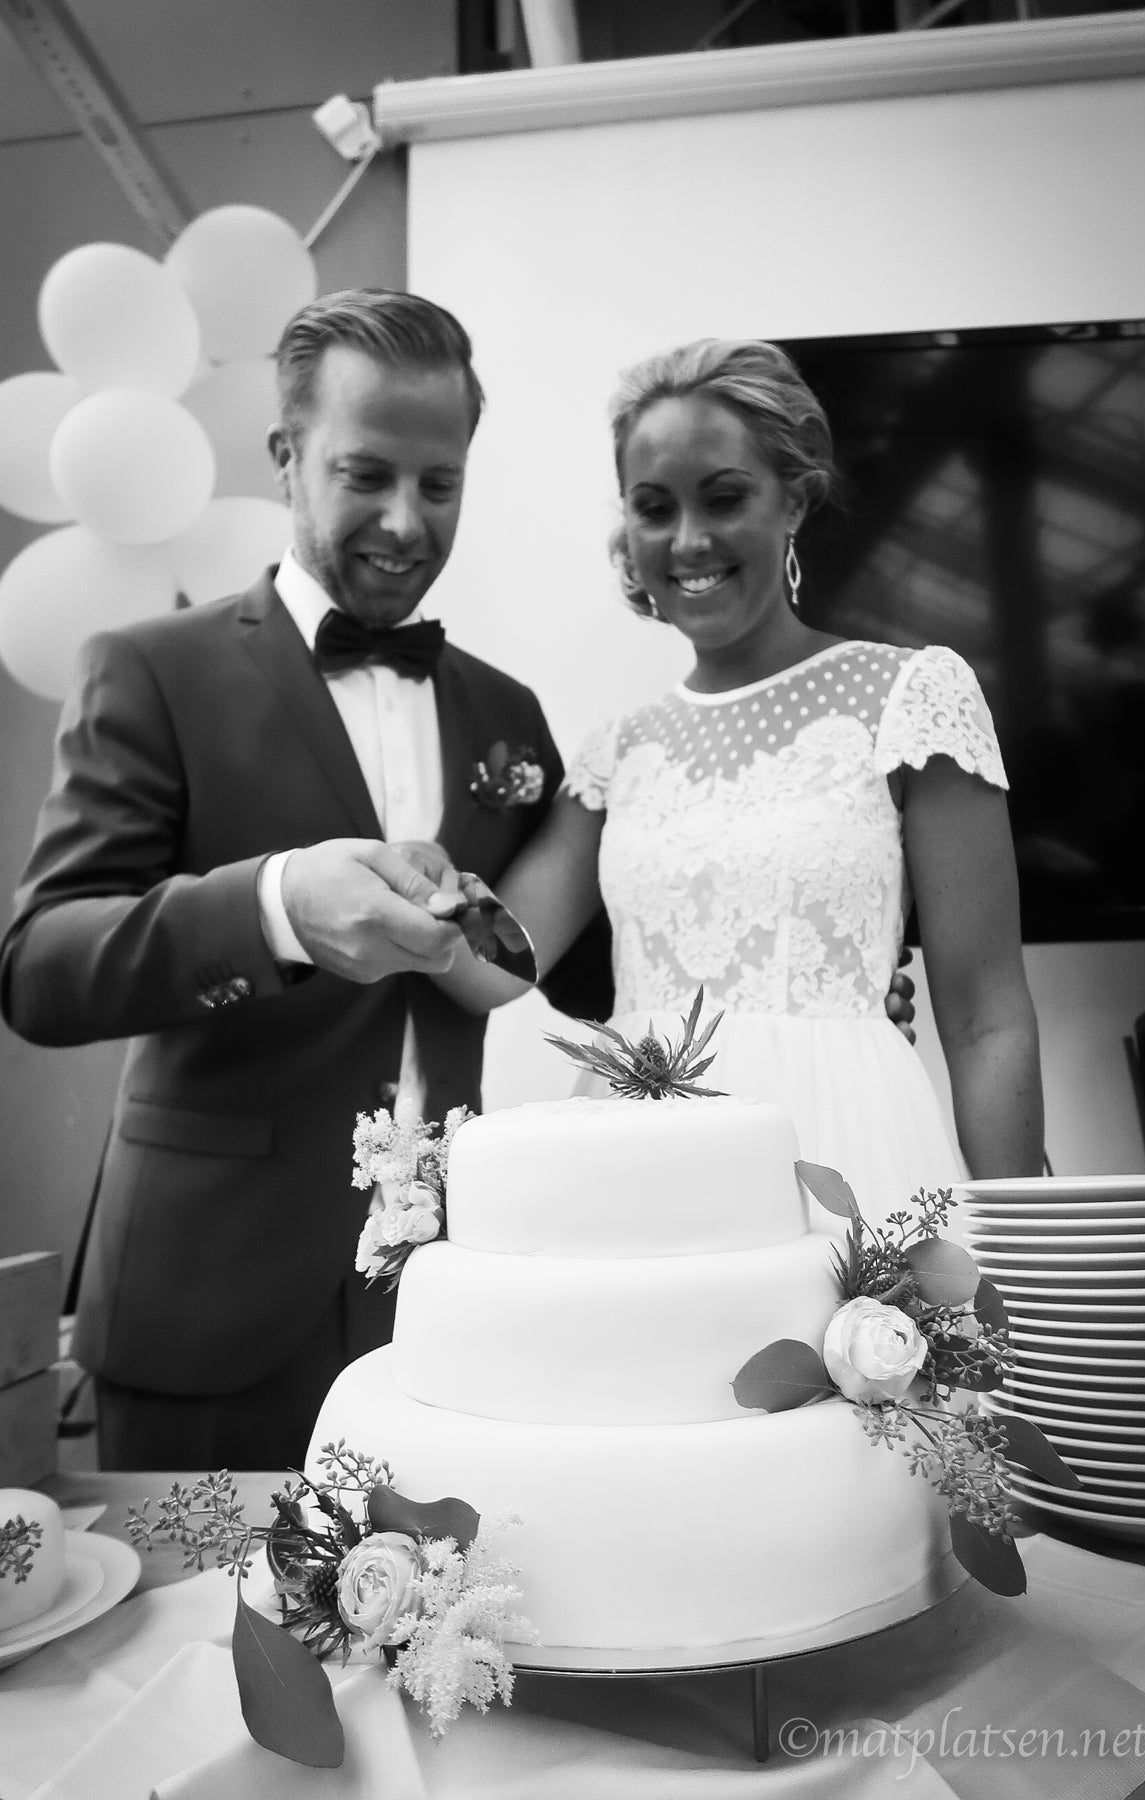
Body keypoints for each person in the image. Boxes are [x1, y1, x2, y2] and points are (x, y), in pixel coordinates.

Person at [0, 291, 578, 1471]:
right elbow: (40, 969)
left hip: (450, 1311)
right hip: (210, 1302)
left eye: (441, 483)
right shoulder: (150, 669)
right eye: (366, 474)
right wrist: (272, 909)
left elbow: (570, 955)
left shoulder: (506, 711)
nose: (406, 521)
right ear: (284, 457)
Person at [427, 337, 1044, 1227]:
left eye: (723, 498)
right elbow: (490, 970)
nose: (689, 540)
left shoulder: (912, 697)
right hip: (639, 1168)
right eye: (654, 508)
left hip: (846, 1150)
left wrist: (1029, 1249)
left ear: (794, 497)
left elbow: (987, 1018)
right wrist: (415, 881)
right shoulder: (618, 754)